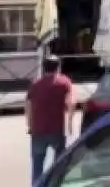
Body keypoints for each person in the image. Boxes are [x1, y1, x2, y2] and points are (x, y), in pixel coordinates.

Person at [25, 55, 74, 185]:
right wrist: (69, 125)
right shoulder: (64, 82)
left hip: (38, 130)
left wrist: (30, 125)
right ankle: (56, 183)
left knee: (37, 165)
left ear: (43, 68)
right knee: (59, 163)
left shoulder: (35, 84)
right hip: (57, 129)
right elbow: (70, 104)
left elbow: (28, 107)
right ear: (58, 67)